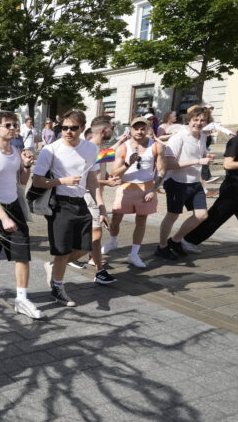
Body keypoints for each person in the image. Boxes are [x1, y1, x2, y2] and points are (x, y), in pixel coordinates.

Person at [32, 109, 108, 307]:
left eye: (73, 128)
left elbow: (92, 180)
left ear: (83, 128)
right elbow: (37, 181)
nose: (67, 131)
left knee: (86, 246)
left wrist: (101, 206)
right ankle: (58, 287)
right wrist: (61, 181)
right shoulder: (52, 149)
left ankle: (54, 266)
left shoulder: (90, 149)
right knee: (62, 250)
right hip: (59, 203)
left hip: (79, 202)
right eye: (64, 127)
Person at [0, 111, 44, 319]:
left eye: (15, 124)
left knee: (22, 254)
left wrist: (26, 165)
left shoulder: (16, 151)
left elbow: (22, 181)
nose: (13, 128)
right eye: (8, 125)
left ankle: (21, 299)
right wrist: (3, 217)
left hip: (14, 207)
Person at [65, 116, 123, 283]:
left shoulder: (101, 148)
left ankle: (99, 270)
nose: (113, 131)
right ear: (104, 131)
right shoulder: (90, 149)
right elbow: (85, 179)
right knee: (95, 234)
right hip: (87, 196)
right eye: (112, 128)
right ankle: (58, 264)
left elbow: (103, 171)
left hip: (96, 196)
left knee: (95, 234)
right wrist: (106, 181)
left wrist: (109, 178)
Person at [104, 116, 167, 267]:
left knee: (141, 221)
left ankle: (133, 254)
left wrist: (153, 189)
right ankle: (113, 241)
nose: (139, 131)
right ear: (131, 129)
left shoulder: (157, 146)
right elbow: (114, 173)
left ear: (148, 129)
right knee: (116, 218)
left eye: (143, 128)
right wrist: (128, 163)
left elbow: (162, 170)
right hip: (126, 186)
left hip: (146, 187)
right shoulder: (122, 147)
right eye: (136, 128)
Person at [184, 111, 238, 246]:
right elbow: (227, 164)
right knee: (214, 219)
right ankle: (184, 241)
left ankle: (186, 241)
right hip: (232, 189)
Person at [156, 106, 213, 260]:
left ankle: (175, 241)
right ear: (189, 120)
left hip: (194, 181)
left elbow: (200, 155)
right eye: (196, 120)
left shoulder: (202, 136)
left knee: (202, 215)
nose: (199, 123)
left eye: (203, 120)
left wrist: (206, 156)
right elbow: (170, 164)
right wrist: (199, 160)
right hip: (177, 181)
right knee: (173, 215)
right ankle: (161, 246)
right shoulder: (178, 137)